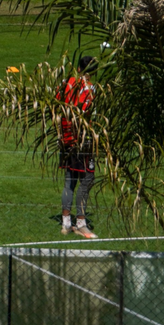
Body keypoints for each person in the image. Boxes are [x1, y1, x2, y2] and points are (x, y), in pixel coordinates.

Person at [58, 55, 98, 239]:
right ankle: (81, 223)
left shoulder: (66, 84)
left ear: (79, 69)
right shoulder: (90, 89)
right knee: (87, 179)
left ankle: (66, 223)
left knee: (70, 180)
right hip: (83, 141)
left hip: (66, 139)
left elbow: (57, 108)